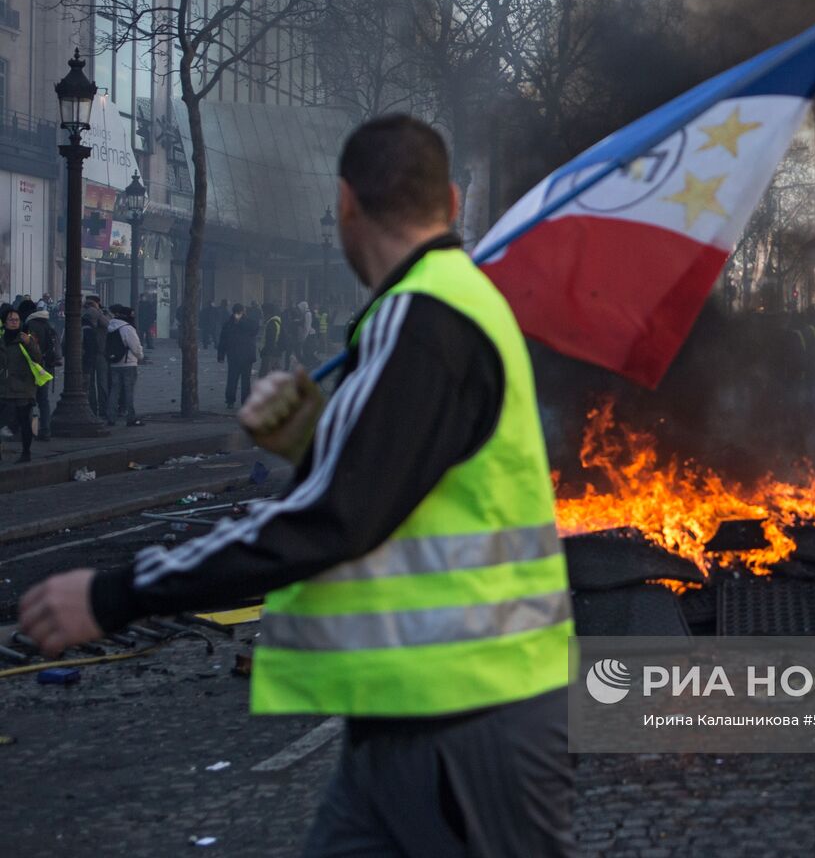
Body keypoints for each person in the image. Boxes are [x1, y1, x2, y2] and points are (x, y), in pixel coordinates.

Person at [20, 115, 575, 857]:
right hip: (424, 706)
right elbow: (403, 488)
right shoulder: (441, 306)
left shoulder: (423, 319)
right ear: (450, 198)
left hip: (460, 713)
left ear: (345, 203)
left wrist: (116, 593)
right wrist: (317, 437)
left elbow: (332, 520)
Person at [0, 305, 45, 462]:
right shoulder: (2, 340)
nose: (14, 322)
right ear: (4, 322)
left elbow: (38, 358)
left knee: (23, 421)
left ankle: (26, 453)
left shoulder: (25, 339)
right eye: (11, 320)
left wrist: (30, 343)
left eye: (17, 320)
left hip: (23, 386)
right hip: (4, 385)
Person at [25, 302, 61, 441]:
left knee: (28, 399)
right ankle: (45, 429)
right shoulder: (48, 325)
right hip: (46, 368)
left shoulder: (30, 326)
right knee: (43, 400)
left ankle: (28, 430)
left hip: (33, 367)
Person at [105, 304, 144, 427]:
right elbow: (136, 347)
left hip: (114, 363)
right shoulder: (127, 328)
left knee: (114, 391)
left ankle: (111, 417)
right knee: (128, 391)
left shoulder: (111, 327)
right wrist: (140, 356)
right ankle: (131, 418)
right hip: (128, 363)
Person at [218, 303, 259, 408]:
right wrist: (221, 355)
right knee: (240, 379)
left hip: (239, 356)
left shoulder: (233, 323)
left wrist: (221, 355)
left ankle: (233, 401)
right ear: (243, 311)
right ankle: (236, 401)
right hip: (240, 356)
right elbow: (223, 340)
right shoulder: (229, 324)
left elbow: (255, 330)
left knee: (235, 379)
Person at [82, 295, 110, 417]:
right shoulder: (98, 313)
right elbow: (109, 325)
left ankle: (92, 409)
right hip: (100, 352)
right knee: (102, 382)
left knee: (90, 384)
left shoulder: (82, 313)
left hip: (86, 353)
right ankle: (103, 409)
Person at [259, 303, 284, 375]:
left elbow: (270, 341)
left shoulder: (271, 323)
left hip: (270, 354)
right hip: (276, 351)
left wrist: (263, 352)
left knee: (264, 375)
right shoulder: (277, 320)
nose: (262, 314)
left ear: (267, 312)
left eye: (263, 312)